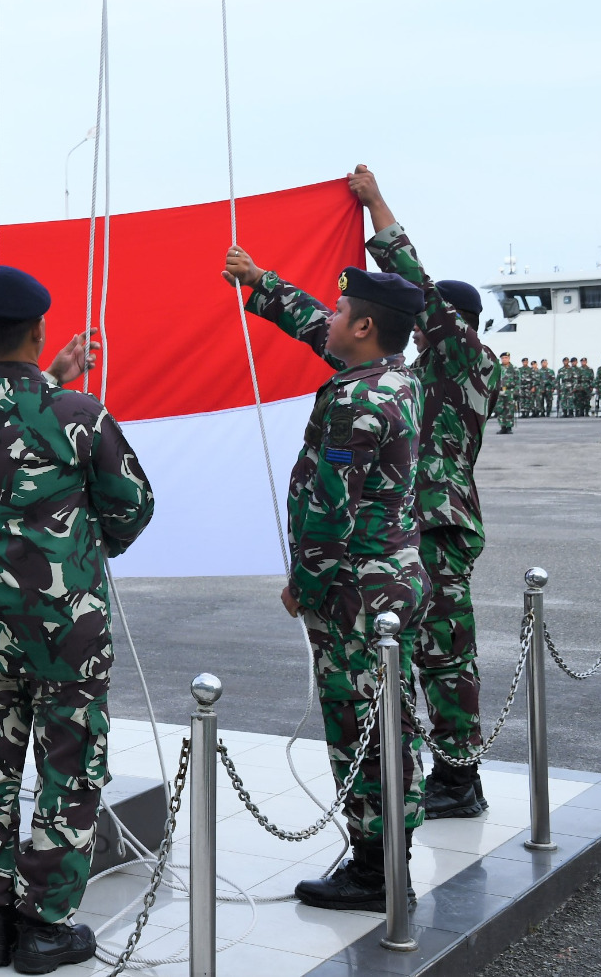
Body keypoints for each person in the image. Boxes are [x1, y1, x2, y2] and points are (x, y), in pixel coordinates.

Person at [0, 265, 154, 972]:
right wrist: (87, 549)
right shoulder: (81, 413)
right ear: (38, 330)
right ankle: (46, 926)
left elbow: (6, 432)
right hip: (68, 625)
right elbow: (132, 505)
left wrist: (50, 372)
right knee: (68, 767)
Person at [223, 246, 427, 911]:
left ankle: (377, 869)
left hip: (354, 594)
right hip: (387, 581)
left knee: (362, 727)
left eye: (344, 310)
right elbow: (323, 330)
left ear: (365, 328)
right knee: (387, 718)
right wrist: (264, 286)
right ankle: (388, 854)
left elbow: (329, 505)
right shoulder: (394, 376)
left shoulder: (356, 403)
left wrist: (304, 584)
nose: (332, 317)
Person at [350, 166, 499, 818]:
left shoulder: (467, 357)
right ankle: (434, 772)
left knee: (446, 656)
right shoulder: (424, 373)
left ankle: (459, 778)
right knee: (413, 652)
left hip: (437, 529)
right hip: (410, 528)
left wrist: (377, 205)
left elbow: (418, 286)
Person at [494, 354, 517, 434]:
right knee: (500, 409)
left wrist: (516, 392)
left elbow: (518, 381)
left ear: (509, 358)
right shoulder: (497, 368)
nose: (504, 359)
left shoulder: (514, 369)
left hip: (509, 391)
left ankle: (509, 427)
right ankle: (502, 426)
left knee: (509, 409)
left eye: (506, 358)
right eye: (503, 358)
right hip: (499, 391)